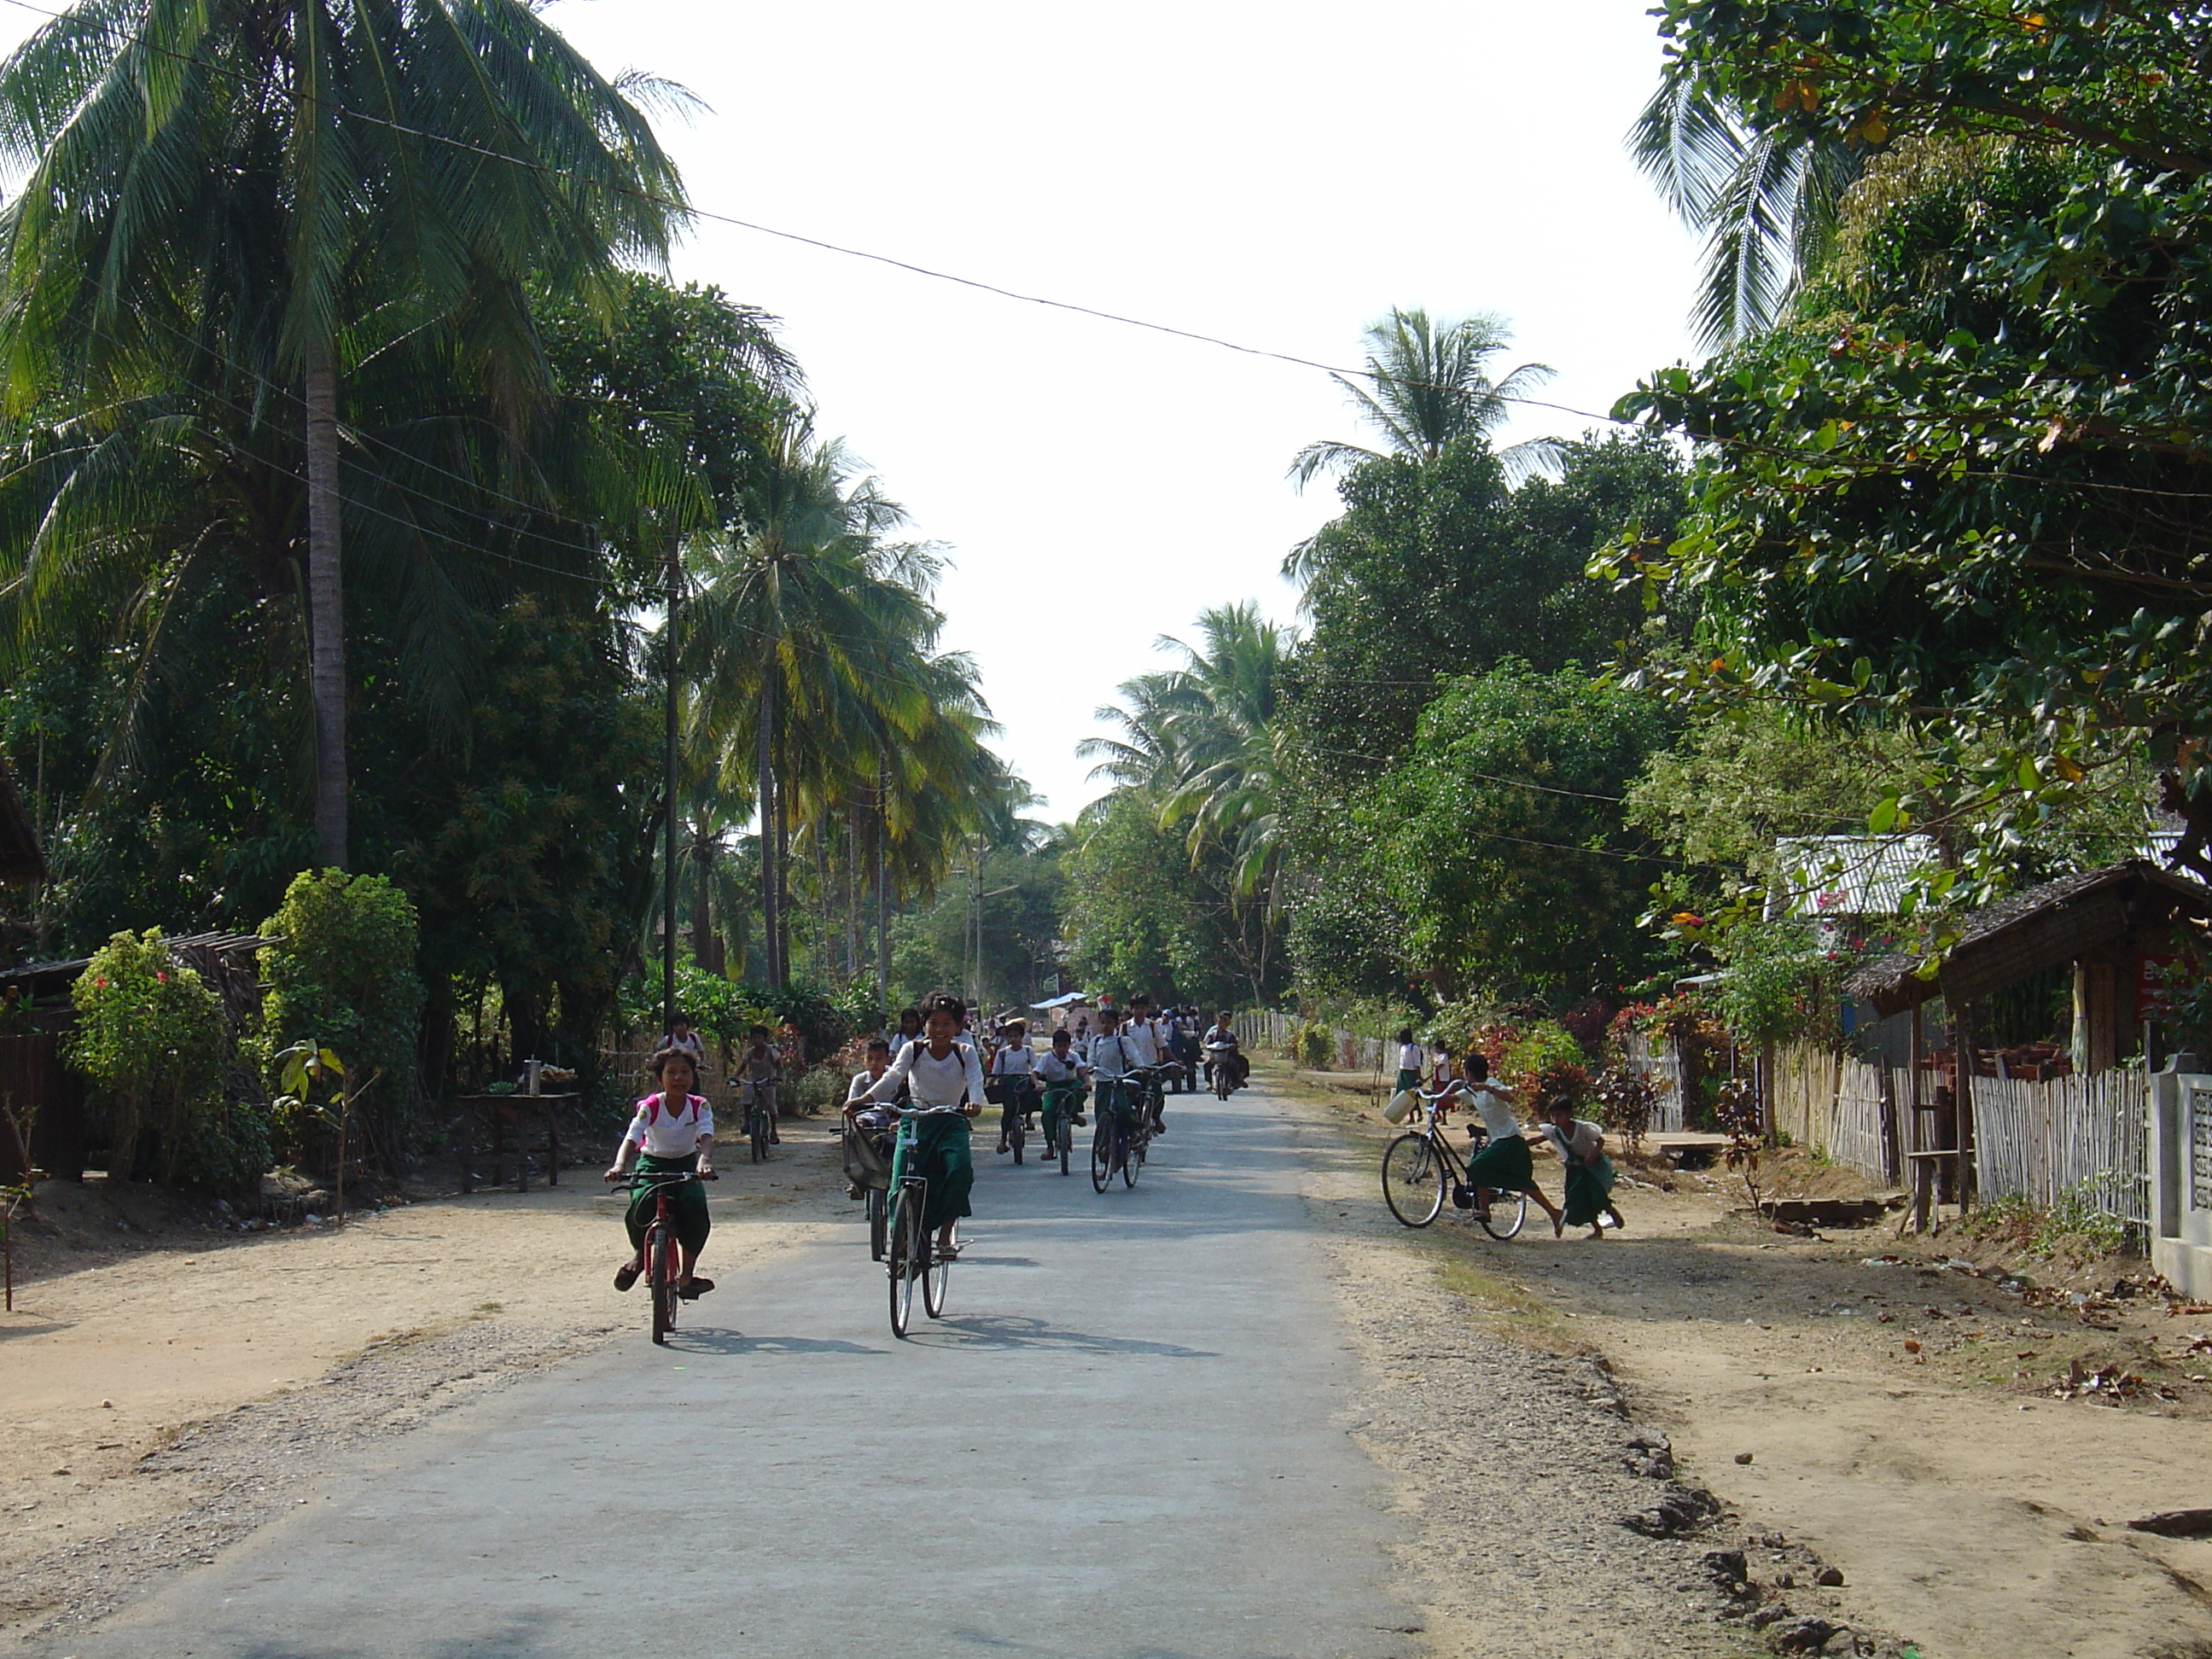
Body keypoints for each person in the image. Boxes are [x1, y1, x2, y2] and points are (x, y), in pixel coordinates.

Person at [857, 992, 984, 1255]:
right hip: (915, 1119)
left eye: (947, 1024)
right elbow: (894, 1077)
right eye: (933, 1023)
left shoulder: (965, 1052)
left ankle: (946, 1235)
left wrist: (974, 1103)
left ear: (958, 1027)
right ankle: (900, 1236)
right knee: (900, 1175)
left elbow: (975, 1079)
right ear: (923, 1024)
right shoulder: (912, 1050)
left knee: (959, 1171)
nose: (939, 1030)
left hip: (952, 1120)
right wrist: (865, 1099)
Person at [607, 1048, 715, 1298]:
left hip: (686, 1164)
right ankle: (640, 1257)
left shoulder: (700, 1106)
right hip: (652, 1164)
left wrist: (704, 1162)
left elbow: (706, 1136)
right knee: (639, 1204)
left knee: (695, 1207)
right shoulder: (651, 1106)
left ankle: (687, 1277)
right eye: (672, 1072)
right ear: (660, 1078)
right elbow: (633, 1136)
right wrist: (619, 1165)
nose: (678, 1078)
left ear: (693, 1077)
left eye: (685, 1072)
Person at [1456, 1057, 1566, 1234]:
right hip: (1499, 1141)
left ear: (1469, 1073)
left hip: (1510, 1140)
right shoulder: (1471, 1090)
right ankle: (1554, 1213)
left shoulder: (1491, 1084)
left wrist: (1487, 1088)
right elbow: (1452, 1097)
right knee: (1523, 1183)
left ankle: (1485, 1209)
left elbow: (1510, 1097)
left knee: (1478, 1166)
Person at [1540, 1094, 1625, 1240]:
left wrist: (1593, 1154)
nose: (1555, 1119)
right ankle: (1597, 1230)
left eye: (1559, 1115)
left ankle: (1611, 1211)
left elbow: (1600, 1141)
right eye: (1553, 1116)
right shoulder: (1555, 1131)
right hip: (1575, 1169)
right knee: (1579, 1199)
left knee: (1596, 1195)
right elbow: (1539, 1139)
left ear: (1569, 1114)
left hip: (1593, 1167)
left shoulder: (1582, 1129)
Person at [841, 1038, 899, 1197]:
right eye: (870, 1058)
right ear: (863, 1060)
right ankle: (856, 1179)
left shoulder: (897, 1079)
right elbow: (851, 1104)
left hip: (891, 1123)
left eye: (879, 1059)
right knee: (853, 1136)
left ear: (888, 1059)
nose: (874, 1063)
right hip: (868, 1123)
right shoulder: (860, 1081)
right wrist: (854, 1115)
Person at [1035, 1027, 1089, 1158]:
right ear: (1054, 1046)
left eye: (1065, 1046)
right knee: (1047, 1112)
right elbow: (1035, 1073)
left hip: (1070, 1085)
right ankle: (1050, 1146)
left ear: (1069, 1046)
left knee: (1080, 1091)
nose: (1062, 1049)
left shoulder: (1074, 1056)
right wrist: (1037, 1084)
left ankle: (1074, 1114)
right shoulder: (1047, 1057)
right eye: (1059, 1046)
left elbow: (1082, 1070)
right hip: (1053, 1087)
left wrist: (1087, 1082)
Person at [990, 1019, 1039, 1155]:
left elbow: (1035, 1068)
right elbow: (996, 1071)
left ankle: (1028, 1119)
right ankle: (1003, 1140)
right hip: (1007, 1083)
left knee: (1032, 1099)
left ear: (1021, 1037)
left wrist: (1038, 1080)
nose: (1013, 1039)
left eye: (1016, 1036)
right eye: (1010, 1036)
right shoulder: (1003, 1053)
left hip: (1023, 1080)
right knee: (1008, 1111)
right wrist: (989, 1083)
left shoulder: (1028, 1051)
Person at [1121, 994, 1167, 1132]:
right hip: (1132, 1069)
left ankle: (1156, 1118)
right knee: (1129, 1097)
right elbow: (1119, 1047)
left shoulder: (1152, 1026)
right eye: (1136, 1008)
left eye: (1142, 1008)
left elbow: (1163, 1046)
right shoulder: (1125, 1027)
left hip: (1151, 1067)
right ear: (1131, 1009)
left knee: (1157, 1094)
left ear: (1147, 1010)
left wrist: (1175, 1062)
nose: (1139, 1011)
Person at [739, 1023, 783, 1144]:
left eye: (759, 1038)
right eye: (754, 1038)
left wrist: (778, 1076)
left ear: (765, 1039)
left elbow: (779, 1066)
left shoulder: (771, 1051)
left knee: (771, 1105)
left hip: (768, 1080)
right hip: (753, 1079)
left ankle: (773, 1131)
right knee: (747, 1099)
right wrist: (735, 1076)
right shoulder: (749, 1052)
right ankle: (747, 1122)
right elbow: (742, 1066)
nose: (756, 1040)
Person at [1202, 1011, 1247, 1091]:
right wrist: (1205, 1046)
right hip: (1215, 1056)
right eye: (1219, 1022)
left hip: (1227, 1055)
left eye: (1223, 1022)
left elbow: (1234, 1043)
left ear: (1226, 1024)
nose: (1220, 1024)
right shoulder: (1212, 1034)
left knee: (1234, 1064)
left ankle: (1236, 1081)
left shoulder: (1229, 1034)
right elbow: (1206, 1042)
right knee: (1207, 1065)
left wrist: (1233, 1045)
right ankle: (1210, 1083)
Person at [1393, 1027, 1423, 1101]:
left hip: (1411, 1073)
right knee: (1401, 1094)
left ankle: (1414, 1110)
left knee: (1410, 1095)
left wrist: (1419, 1076)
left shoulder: (1414, 1047)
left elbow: (1417, 1063)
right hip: (1403, 1072)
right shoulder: (1403, 1047)